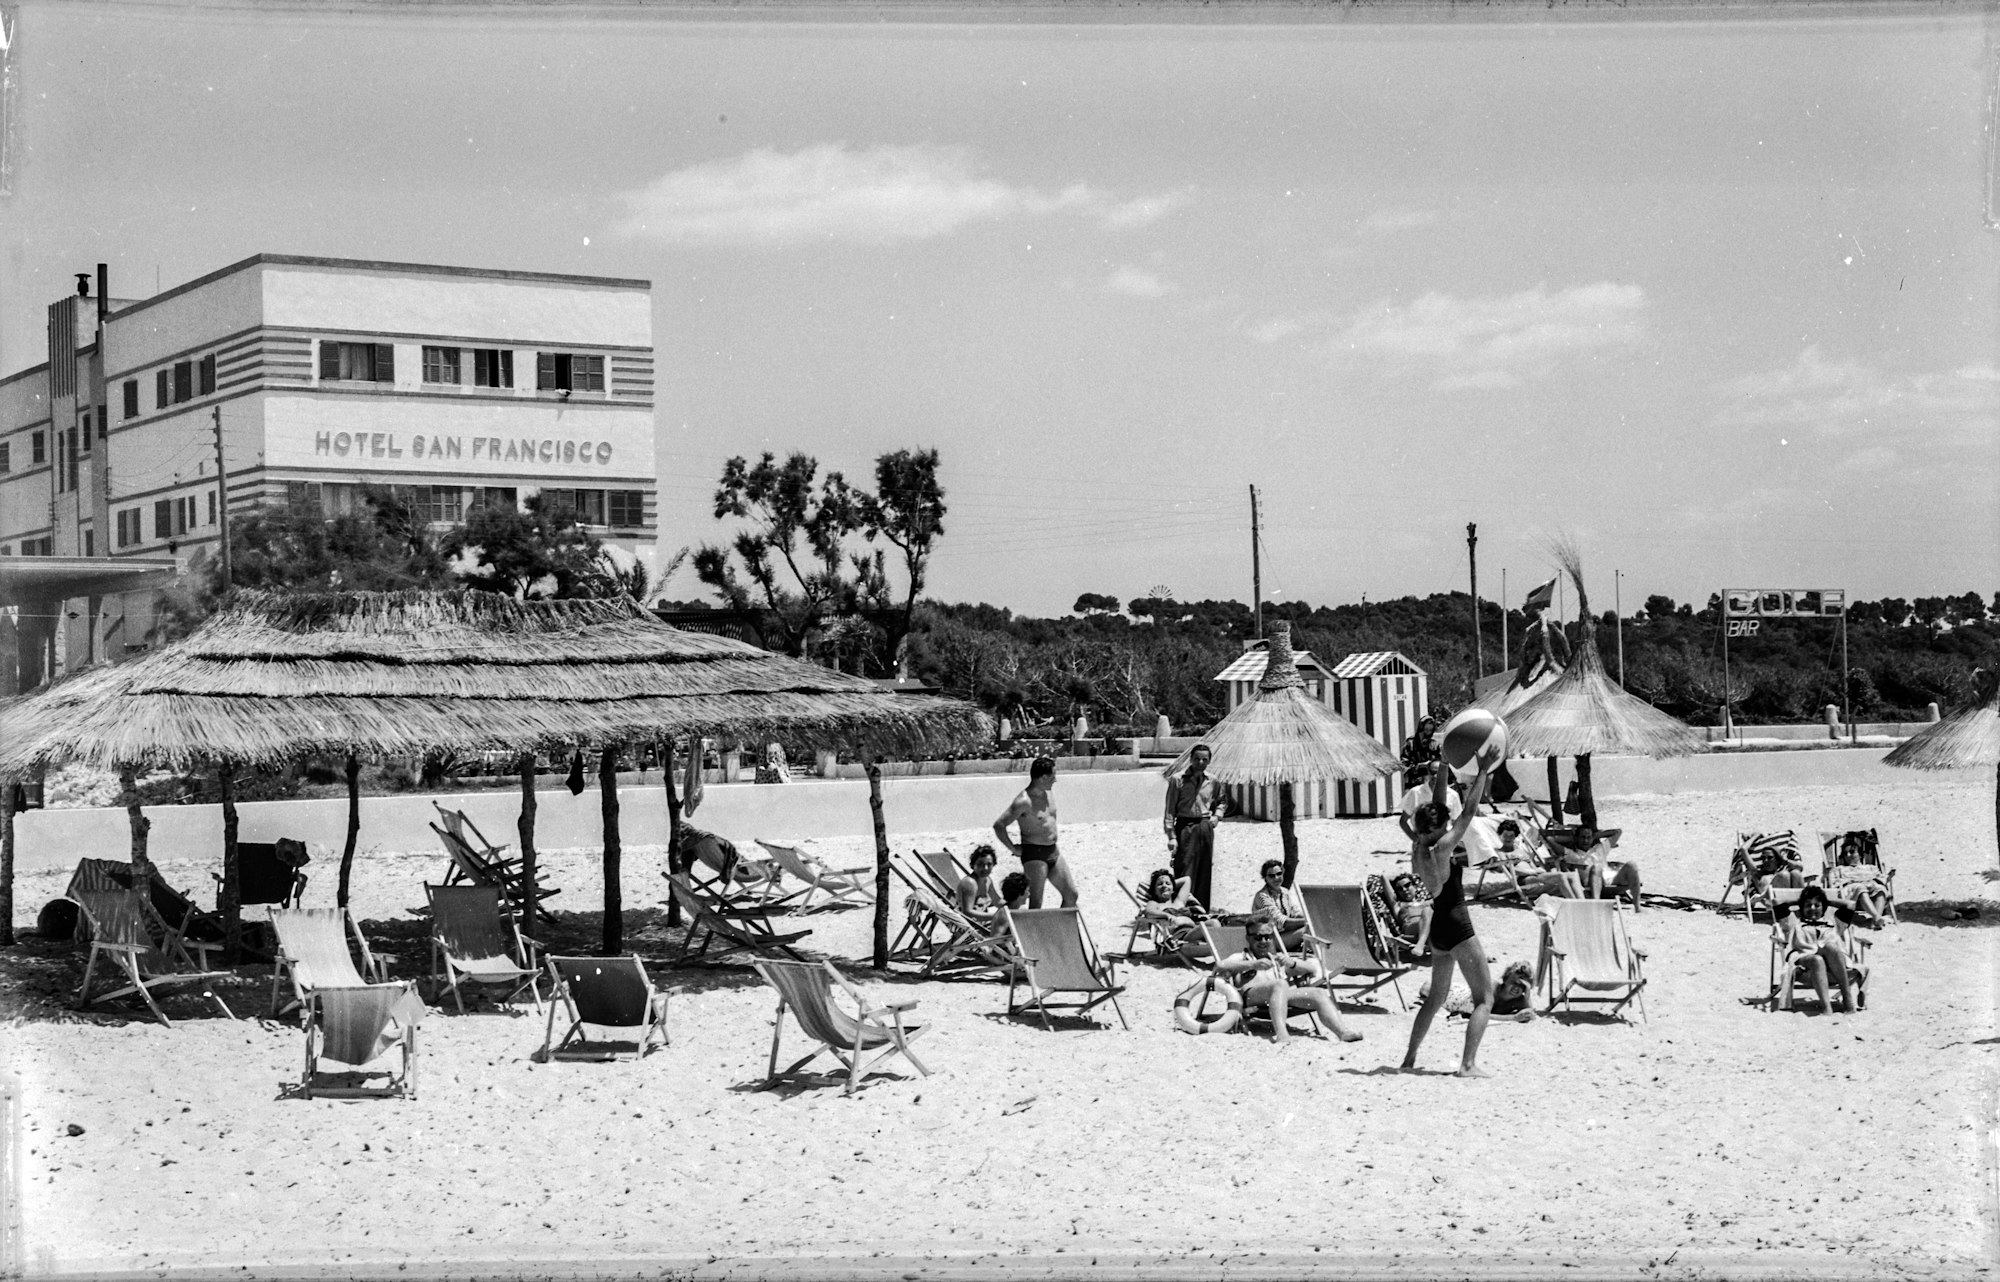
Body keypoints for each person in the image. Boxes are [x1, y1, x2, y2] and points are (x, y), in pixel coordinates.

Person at [1400, 757, 1498, 1078]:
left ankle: (1409, 1058)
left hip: (1438, 930)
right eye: (1444, 822)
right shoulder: (1443, 846)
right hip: (1457, 926)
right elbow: (1468, 812)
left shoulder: (1419, 844)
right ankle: (1467, 1065)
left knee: (1435, 999)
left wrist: (1443, 767)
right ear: (1440, 827)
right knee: (1485, 998)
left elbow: (1438, 806)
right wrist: (1482, 771)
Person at [1215, 921, 1362, 1045]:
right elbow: (1219, 966)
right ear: (1248, 938)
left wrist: (1291, 964)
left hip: (1279, 997)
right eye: (1258, 937)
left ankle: (1342, 1032)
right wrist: (1252, 965)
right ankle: (1281, 1034)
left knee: (1319, 993)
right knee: (1279, 984)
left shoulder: (1277, 958)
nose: (1264, 941)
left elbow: (1311, 970)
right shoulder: (1241, 957)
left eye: (1268, 937)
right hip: (1251, 997)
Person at [1774, 883, 1875, 1014]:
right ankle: (1826, 1006)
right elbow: (1776, 902)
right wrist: (1799, 900)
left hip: (1835, 969)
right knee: (1817, 959)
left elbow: (1850, 905)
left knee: (1830, 947)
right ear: (1801, 908)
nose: (1812, 908)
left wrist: (1826, 900)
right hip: (1805, 968)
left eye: (1817, 905)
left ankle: (1847, 996)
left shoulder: (1835, 923)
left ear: (1824, 907)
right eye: (1807, 905)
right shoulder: (1794, 922)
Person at [993, 757, 1077, 909]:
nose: (1055, 780)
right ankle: (1034, 933)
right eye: (1053, 776)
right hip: (1034, 854)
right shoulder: (1024, 801)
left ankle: (1060, 931)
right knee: (1036, 903)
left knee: (1071, 895)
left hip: (1053, 850)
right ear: (1043, 777)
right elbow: (999, 825)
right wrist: (1013, 848)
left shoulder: (1048, 793)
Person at [1163, 745, 1227, 907]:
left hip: (1205, 827)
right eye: (1197, 758)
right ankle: (1181, 909)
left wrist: (1217, 816)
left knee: (1204, 869)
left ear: (1209, 761)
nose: (1200, 762)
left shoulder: (1213, 780)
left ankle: (1201, 910)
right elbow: (1170, 810)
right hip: (1185, 826)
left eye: (1205, 759)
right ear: (1190, 759)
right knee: (1184, 868)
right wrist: (1171, 836)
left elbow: (1222, 801)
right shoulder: (1178, 779)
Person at [1134, 868, 1208, 956]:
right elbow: (1149, 912)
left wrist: (1169, 885)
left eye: (1167, 883)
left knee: (1214, 924)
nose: (1164, 885)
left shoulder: (1179, 902)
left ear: (1173, 889)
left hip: (1193, 932)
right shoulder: (1155, 903)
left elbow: (1187, 880)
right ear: (1154, 890)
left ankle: (1220, 955)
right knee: (1213, 924)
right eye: (1159, 884)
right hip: (1179, 937)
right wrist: (1166, 914)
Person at [1249, 859, 1309, 951]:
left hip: (1284, 935)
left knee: (1312, 928)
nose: (1276, 878)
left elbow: (1295, 913)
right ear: (1265, 878)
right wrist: (1308, 921)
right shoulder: (1262, 896)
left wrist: (1309, 917)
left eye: (1279, 874)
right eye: (1271, 876)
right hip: (1268, 940)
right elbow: (1281, 922)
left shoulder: (1285, 892)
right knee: (1309, 930)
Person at [1397, 763, 1460, 844]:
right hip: (1422, 843)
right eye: (1432, 772)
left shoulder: (1453, 795)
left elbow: (1456, 824)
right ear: (1428, 772)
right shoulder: (1415, 792)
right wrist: (1416, 840)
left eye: (1438, 772)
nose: (1435, 776)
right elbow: (1403, 821)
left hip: (1444, 844)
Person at [956, 844, 1004, 930]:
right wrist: (996, 916)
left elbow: (997, 901)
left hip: (980, 924)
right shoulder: (970, 883)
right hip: (967, 926)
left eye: (989, 864)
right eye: (980, 864)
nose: (985, 868)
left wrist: (1013, 907)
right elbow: (967, 913)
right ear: (973, 865)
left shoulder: (987, 880)